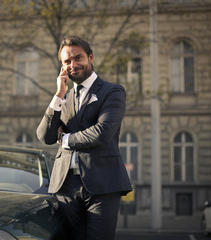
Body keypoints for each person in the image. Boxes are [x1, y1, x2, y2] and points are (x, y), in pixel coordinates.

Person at [36, 35, 132, 240]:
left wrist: (65, 140)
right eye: (67, 61)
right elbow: (44, 136)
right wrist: (59, 94)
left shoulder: (112, 91)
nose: (73, 65)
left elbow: (102, 132)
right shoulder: (65, 98)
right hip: (66, 186)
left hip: (102, 184)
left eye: (78, 58)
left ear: (90, 57)